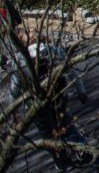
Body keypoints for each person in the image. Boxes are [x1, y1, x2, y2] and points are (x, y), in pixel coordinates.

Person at [9, 30, 93, 171]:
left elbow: (14, 89)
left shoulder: (19, 60)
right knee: (65, 121)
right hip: (58, 95)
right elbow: (72, 71)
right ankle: (79, 145)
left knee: (47, 134)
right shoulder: (54, 51)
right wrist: (81, 91)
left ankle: (61, 162)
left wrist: (14, 112)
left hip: (36, 104)